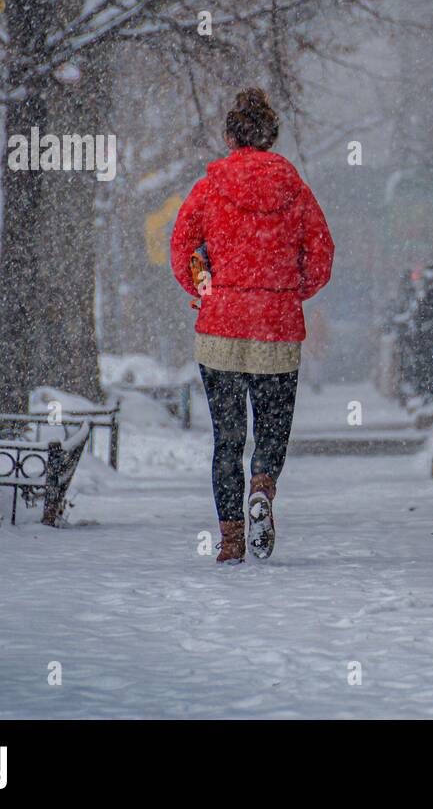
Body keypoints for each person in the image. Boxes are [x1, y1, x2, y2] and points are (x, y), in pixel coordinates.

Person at [170, 88, 334, 564]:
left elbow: (182, 249)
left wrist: (204, 290)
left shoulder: (208, 187)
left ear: (229, 136)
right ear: (271, 136)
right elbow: (321, 255)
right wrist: (288, 291)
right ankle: (262, 485)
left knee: (227, 437)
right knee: (272, 427)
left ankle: (232, 539)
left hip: (220, 328)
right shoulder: (296, 190)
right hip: (277, 329)